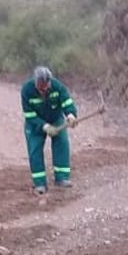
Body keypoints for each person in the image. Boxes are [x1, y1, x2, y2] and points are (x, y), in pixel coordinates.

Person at [20, 66, 78, 194]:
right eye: (42, 87)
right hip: (35, 124)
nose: (45, 89)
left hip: (55, 119)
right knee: (35, 150)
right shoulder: (26, 90)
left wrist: (71, 115)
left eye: (47, 85)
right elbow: (29, 114)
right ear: (36, 82)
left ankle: (62, 178)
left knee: (62, 143)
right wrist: (44, 126)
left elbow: (67, 102)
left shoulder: (57, 86)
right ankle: (40, 184)